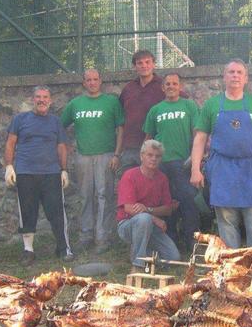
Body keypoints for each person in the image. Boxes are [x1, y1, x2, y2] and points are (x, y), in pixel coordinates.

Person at [190, 59, 252, 249]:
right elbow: (200, 138)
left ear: (246, 78)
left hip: (251, 169)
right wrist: (195, 169)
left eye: (239, 72)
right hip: (222, 168)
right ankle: (231, 266)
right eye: (231, 72)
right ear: (224, 77)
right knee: (226, 221)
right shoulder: (212, 105)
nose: (235, 76)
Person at [4, 86, 74, 266]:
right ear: (32, 99)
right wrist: (9, 166)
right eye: (38, 97)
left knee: (56, 211)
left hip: (51, 173)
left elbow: (61, 146)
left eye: (45, 97)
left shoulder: (55, 122)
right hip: (26, 173)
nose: (41, 100)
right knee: (27, 212)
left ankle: (63, 247)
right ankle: (28, 250)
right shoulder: (20, 119)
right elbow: (11, 143)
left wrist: (64, 169)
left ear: (50, 101)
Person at [61, 69, 124, 254]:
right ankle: (85, 236)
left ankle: (103, 237)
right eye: (88, 80)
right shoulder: (75, 104)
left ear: (100, 81)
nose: (92, 82)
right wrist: (68, 146)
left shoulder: (111, 102)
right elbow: (59, 126)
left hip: (106, 155)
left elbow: (121, 129)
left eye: (95, 79)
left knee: (104, 196)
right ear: (83, 83)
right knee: (85, 196)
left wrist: (117, 154)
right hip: (83, 156)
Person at [143, 73, 200, 253]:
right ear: (163, 87)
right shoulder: (155, 110)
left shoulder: (189, 106)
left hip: (183, 163)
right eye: (167, 84)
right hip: (160, 166)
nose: (171, 86)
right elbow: (148, 138)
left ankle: (192, 243)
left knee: (188, 202)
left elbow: (198, 133)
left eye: (175, 83)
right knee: (166, 205)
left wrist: (195, 158)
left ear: (180, 86)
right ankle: (171, 244)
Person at [116, 140, 180, 272]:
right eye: (150, 155)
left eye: (157, 156)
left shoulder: (162, 178)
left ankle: (144, 252)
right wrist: (154, 218)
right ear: (141, 156)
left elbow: (168, 209)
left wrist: (148, 209)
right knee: (143, 219)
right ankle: (138, 265)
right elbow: (129, 208)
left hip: (151, 227)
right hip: (127, 224)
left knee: (173, 258)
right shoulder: (130, 175)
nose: (153, 159)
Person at [118, 50, 166, 175]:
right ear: (134, 66)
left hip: (154, 146)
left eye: (147, 62)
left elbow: (180, 101)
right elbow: (121, 116)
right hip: (130, 146)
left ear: (154, 64)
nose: (144, 66)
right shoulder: (128, 89)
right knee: (130, 184)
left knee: (152, 185)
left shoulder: (164, 86)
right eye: (140, 63)